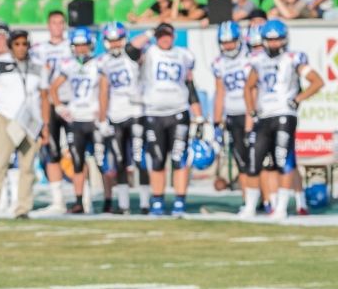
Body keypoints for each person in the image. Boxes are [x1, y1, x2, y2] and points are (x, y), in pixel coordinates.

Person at [240, 20, 323, 220]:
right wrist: (251, 110)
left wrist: (297, 99)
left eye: (277, 39)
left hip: (285, 113)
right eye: (270, 39)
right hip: (265, 114)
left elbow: (317, 81)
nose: (274, 43)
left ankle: (282, 208)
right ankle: (250, 207)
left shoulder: (293, 58)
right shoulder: (258, 60)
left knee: (282, 159)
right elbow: (249, 86)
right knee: (254, 161)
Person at [131, 22, 203, 216]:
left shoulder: (184, 55)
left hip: (179, 111)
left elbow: (190, 86)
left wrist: (199, 115)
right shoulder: (150, 52)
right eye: (160, 35)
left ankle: (180, 201)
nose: (164, 39)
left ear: (173, 36)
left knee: (179, 158)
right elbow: (130, 48)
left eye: (167, 35)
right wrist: (149, 31)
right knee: (157, 159)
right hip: (154, 113)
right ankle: (158, 201)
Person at [0, 29, 44, 219]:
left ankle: (23, 208)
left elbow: (44, 95)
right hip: (6, 118)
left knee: (27, 167)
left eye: (24, 44)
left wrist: (46, 124)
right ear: (10, 46)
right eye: (17, 44)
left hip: (30, 121)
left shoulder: (37, 66)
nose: (21, 48)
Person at [48, 27, 103, 213]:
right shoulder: (68, 64)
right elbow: (53, 87)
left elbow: (106, 90)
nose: (81, 49)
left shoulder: (99, 63)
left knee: (102, 161)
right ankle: (80, 201)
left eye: (84, 45)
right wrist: (59, 107)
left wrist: (103, 113)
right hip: (77, 118)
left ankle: (110, 200)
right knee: (77, 161)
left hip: (94, 118)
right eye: (78, 46)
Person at [97, 22, 149, 214]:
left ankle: (145, 204)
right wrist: (102, 119)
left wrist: (149, 29)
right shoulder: (103, 62)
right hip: (115, 113)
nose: (115, 44)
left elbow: (141, 41)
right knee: (119, 161)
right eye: (111, 41)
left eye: (118, 39)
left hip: (136, 112)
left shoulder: (131, 54)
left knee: (139, 158)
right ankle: (124, 204)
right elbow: (103, 92)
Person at [33, 11, 72, 215]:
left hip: (71, 103)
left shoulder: (72, 45)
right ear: (48, 26)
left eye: (60, 23)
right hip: (49, 103)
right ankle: (58, 200)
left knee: (78, 151)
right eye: (53, 23)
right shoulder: (40, 50)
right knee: (52, 150)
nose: (57, 26)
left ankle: (83, 198)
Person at [210, 21, 254, 204]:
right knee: (241, 160)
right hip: (233, 114)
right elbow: (220, 92)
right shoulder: (219, 63)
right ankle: (248, 201)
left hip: (250, 113)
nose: (228, 45)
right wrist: (217, 121)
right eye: (224, 42)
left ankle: (266, 199)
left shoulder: (251, 58)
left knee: (256, 160)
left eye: (231, 41)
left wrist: (252, 114)